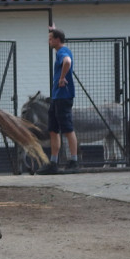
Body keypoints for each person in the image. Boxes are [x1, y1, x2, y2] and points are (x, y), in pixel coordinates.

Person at [39, 27, 79, 174]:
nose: (49, 41)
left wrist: (62, 78)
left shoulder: (63, 52)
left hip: (63, 97)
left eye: (51, 38)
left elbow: (67, 62)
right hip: (57, 97)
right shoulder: (60, 51)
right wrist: (53, 28)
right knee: (53, 129)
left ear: (57, 40)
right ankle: (53, 163)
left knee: (67, 129)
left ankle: (74, 161)